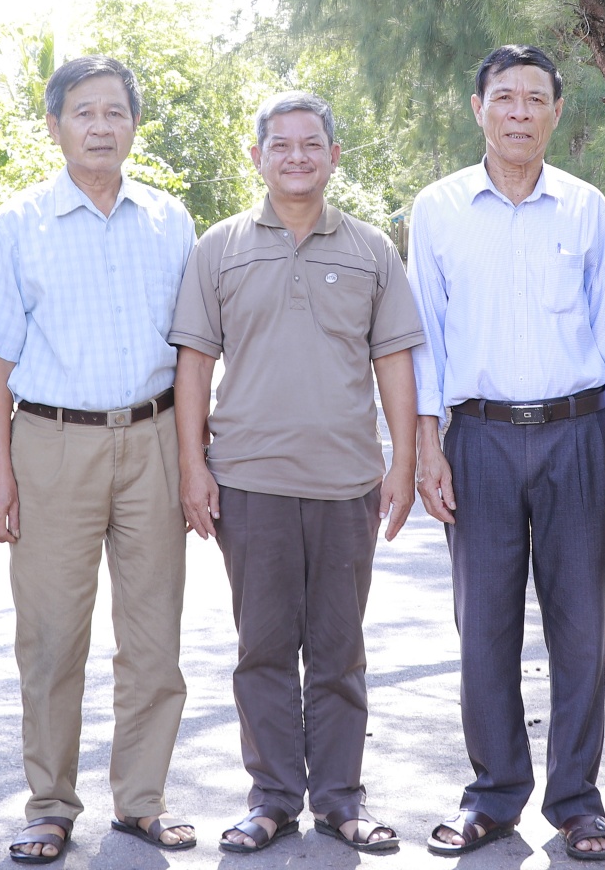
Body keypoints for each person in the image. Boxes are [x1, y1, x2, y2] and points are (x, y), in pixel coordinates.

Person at [406, 45, 605, 862]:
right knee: (485, 629)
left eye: (534, 98)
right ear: (477, 108)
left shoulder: (584, 207)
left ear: (555, 110)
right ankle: (493, 796)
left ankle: (578, 803)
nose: (518, 111)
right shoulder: (437, 210)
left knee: (580, 629)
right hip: (476, 439)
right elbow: (423, 342)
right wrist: (425, 447)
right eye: (503, 97)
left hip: (577, 436)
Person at [170, 91, 424, 856]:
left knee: (340, 651)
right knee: (265, 650)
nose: (297, 158)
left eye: (312, 145)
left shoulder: (372, 250)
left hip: (347, 483)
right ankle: (274, 799)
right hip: (249, 481)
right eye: (281, 146)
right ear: (258, 156)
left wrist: (403, 463)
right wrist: (193, 466)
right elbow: (192, 364)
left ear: (334, 155)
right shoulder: (219, 248)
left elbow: (394, 362)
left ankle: (341, 800)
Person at [0, 56, 198, 865]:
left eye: (116, 114)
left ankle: (140, 802)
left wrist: (195, 458)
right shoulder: (16, 224)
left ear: (134, 125)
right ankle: (51, 804)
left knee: (153, 636)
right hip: (51, 443)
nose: (101, 127)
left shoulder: (172, 221)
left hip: (156, 439)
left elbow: (196, 354)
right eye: (84, 113)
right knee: (54, 637)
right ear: (55, 124)